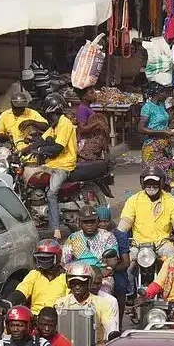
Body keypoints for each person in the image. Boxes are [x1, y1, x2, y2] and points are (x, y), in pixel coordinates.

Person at [22, 93, 77, 241]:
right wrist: (25, 150)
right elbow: (42, 140)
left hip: (64, 165)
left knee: (52, 193)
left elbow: (58, 147)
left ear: (54, 113)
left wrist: (39, 151)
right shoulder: (54, 126)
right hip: (52, 164)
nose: (48, 119)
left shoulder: (65, 124)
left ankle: (56, 229)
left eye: (49, 115)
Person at [118, 166, 174, 261]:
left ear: (161, 184)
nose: (151, 187)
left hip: (162, 245)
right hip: (138, 245)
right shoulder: (133, 200)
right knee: (126, 263)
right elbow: (125, 223)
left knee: (172, 259)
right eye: (148, 184)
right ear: (143, 184)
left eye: (155, 184)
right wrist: (117, 235)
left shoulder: (171, 201)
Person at [55, 263, 118, 345]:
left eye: (82, 283)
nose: (77, 287)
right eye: (74, 283)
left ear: (89, 283)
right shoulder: (60, 304)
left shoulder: (103, 304)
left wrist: (111, 335)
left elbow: (110, 327)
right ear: (68, 283)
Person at [11, 240, 69, 316]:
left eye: (47, 259)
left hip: (58, 317)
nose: (43, 262)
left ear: (57, 258)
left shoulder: (66, 277)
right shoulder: (34, 274)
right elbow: (22, 290)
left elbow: (69, 299)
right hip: (35, 317)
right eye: (40, 258)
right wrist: (8, 302)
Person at [137, 85, 174, 173]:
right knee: (154, 174)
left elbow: (166, 122)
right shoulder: (147, 107)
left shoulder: (161, 105)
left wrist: (171, 109)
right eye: (165, 93)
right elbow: (140, 128)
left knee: (167, 174)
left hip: (165, 147)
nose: (167, 95)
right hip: (152, 147)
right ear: (158, 93)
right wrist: (161, 132)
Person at [75, 88, 111, 162]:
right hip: (86, 144)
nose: (95, 94)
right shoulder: (82, 109)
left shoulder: (87, 108)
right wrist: (97, 123)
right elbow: (81, 129)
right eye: (91, 93)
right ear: (84, 96)